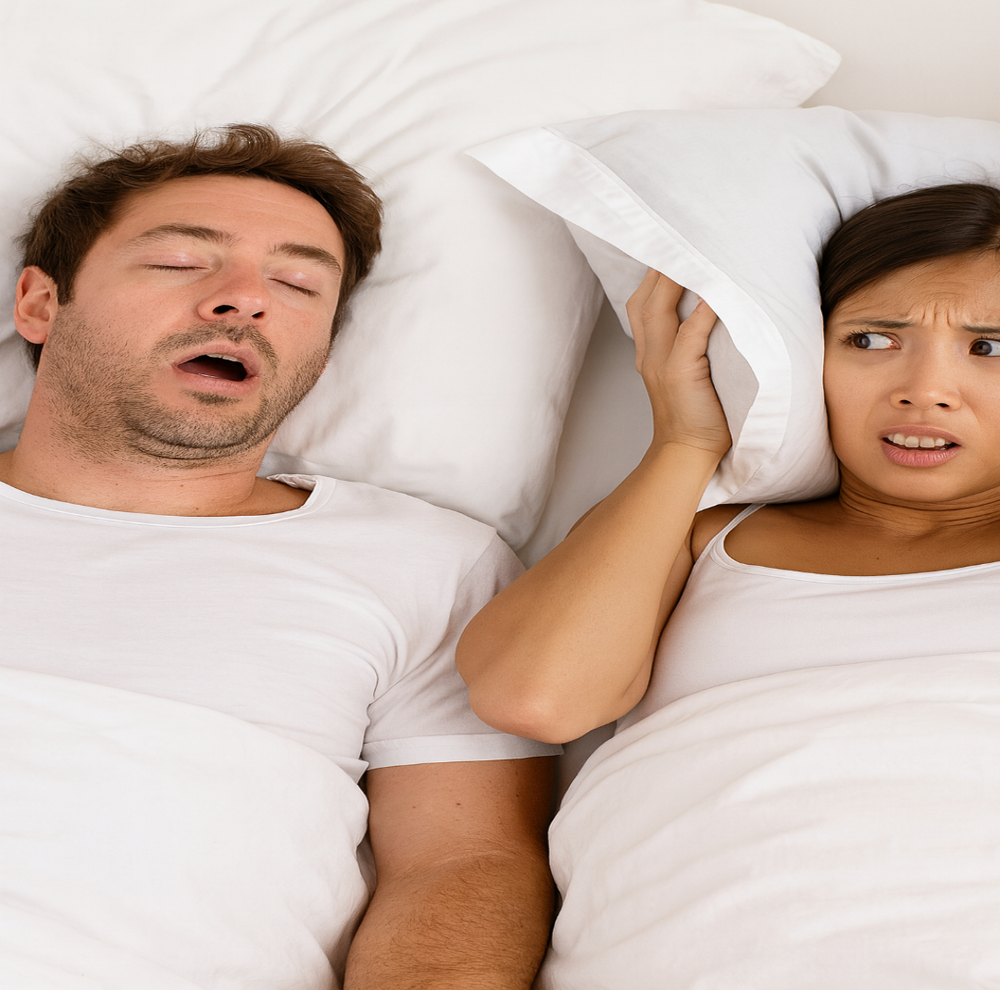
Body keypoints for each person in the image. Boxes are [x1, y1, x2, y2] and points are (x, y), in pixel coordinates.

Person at [0, 123, 556, 989]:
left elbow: (462, 864)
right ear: (40, 303)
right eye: (179, 262)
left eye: (297, 284)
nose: (244, 301)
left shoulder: (426, 565)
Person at [456, 181, 1000, 745]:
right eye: (870, 341)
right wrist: (685, 441)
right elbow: (533, 700)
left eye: (989, 348)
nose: (925, 391)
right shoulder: (694, 536)